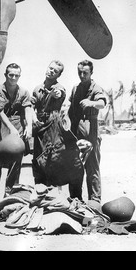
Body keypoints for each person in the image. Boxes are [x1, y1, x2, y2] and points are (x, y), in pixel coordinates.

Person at [0, 63, 32, 209]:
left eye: (16, 75)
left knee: (15, 167)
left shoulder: (24, 92)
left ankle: (9, 197)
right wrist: (10, 129)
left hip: (18, 128)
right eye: (11, 75)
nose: (14, 78)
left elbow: (27, 109)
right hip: (0, 129)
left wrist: (28, 127)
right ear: (5, 75)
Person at [67, 60, 107, 203]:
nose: (82, 75)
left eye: (85, 73)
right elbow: (70, 107)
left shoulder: (96, 88)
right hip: (75, 129)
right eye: (80, 72)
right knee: (75, 166)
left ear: (91, 73)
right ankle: (75, 198)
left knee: (92, 167)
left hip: (91, 129)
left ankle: (94, 200)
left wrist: (91, 103)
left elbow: (102, 103)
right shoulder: (75, 88)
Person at [31, 60, 66, 185]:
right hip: (39, 126)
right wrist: (34, 118)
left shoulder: (59, 88)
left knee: (52, 157)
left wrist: (57, 93)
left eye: (55, 71)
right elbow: (31, 106)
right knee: (37, 158)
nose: (51, 71)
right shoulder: (37, 89)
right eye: (50, 68)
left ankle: (52, 191)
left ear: (58, 75)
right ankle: (39, 189)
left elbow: (60, 93)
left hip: (52, 126)